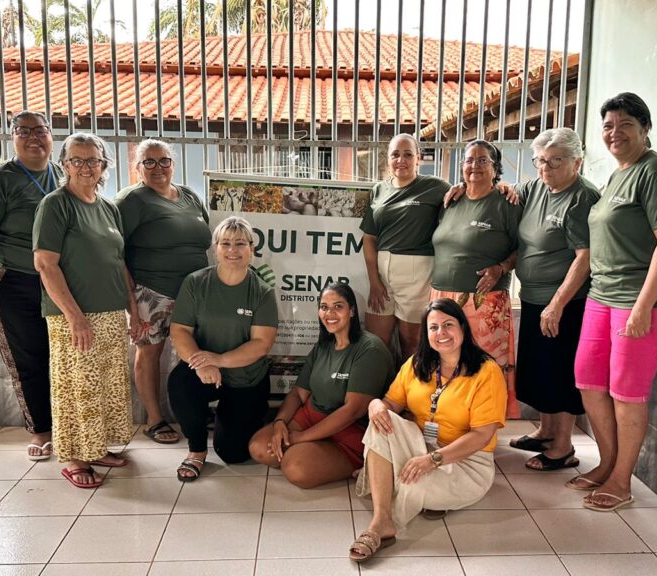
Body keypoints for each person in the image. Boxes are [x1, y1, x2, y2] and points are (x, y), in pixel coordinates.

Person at [569, 93, 657, 512]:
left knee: (626, 392)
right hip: (603, 295)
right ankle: (607, 464)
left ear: (645, 129)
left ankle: (622, 481)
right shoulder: (618, 175)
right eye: (608, 126)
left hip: (646, 300)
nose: (614, 133)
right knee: (588, 380)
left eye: (625, 125)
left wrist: (642, 307)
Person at [349, 298, 506, 562]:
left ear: (463, 328)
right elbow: (389, 404)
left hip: (467, 462)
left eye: (448, 325)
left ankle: (387, 477)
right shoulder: (417, 363)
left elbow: (482, 436)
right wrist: (375, 405)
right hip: (421, 445)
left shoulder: (486, 371)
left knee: (411, 485)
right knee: (380, 422)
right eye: (433, 327)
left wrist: (432, 460)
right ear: (426, 333)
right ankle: (381, 522)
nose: (441, 333)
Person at [32, 133, 140, 489]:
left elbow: (118, 262)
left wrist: (133, 310)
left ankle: (96, 448)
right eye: (76, 160)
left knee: (105, 385)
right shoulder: (55, 205)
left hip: (110, 314)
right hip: (73, 316)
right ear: (64, 165)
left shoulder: (108, 207)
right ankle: (76, 458)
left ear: (103, 165)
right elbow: (45, 264)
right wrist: (75, 317)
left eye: (93, 160)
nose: (85, 167)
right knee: (77, 387)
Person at [0, 110, 62, 461]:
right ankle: (41, 430)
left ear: (51, 136)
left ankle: (69, 426)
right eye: (23, 131)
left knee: (64, 359)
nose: (33, 137)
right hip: (16, 281)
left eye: (40, 130)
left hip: (61, 283)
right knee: (28, 360)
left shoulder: (64, 173)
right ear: (12, 138)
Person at [508, 128, 600, 471]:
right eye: (541, 160)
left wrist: (558, 303)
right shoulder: (535, 187)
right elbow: (505, 194)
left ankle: (562, 447)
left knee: (559, 373)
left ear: (577, 162)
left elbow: (584, 257)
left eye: (555, 161)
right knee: (540, 370)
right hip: (534, 298)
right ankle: (546, 432)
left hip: (565, 303)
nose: (546, 168)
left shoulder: (582, 197)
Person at [248, 282, 394, 488]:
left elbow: (352, 411)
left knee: (295, 468)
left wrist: (300, 438)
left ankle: (348, 460)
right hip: (312, 417)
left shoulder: (370, 349)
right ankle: (314, 450)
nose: (329, 313)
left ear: (352, 311)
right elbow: (298, 393)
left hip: (350, 430)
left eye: (338, 306)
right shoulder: (323, 345)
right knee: (259, 448)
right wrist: (280, 422)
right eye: (324, 307)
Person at [168, 216, 278, 481]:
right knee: (180, 382)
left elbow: (262, 344)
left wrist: (218, 360)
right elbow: (180, 330)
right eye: (225, 243)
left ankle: (235, 418)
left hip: (246, 378)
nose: (232, 250)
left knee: (233, 453)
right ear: (215, 247)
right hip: (205, 371)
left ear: (251, 248)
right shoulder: (196, 282)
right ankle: (196, 449)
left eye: (240, 243)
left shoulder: (262, 292)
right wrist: (202, 363)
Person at [117, 139, 211, 444]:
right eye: (149, 162)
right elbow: (114, 251)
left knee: (195, 353)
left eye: (164, 161)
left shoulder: (189, 196)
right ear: (138, 167)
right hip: (151, 291)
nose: (158, 168)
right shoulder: (131, 200)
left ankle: (193, 411)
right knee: (150, 353)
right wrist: (131, 301)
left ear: (173, 164)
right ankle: (155, 420)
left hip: (195, 293)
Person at [430, 140, 523, 418]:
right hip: (442, 299)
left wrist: (502, 268)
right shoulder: (451, 201)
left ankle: (484, 427)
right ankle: (451, 422)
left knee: (483, 368)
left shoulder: (506, 203)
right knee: (447, 365)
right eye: (469, 160)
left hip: (485, 302)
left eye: (483, 160)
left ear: (496, 168)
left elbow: (524, 247)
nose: (475, 166)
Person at [360, 134, 451, 361]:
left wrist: (501, 187)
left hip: (417, 274)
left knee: (412, 344)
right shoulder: (379, 190)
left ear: (418, 158)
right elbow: (369, 238)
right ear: (388, 158)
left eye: (408, 154)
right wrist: (374, 281)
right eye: (395, 155)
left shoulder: (435, 187)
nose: (401, 160)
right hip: (381, 274)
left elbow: (467, 193)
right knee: (375, 343)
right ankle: (384, 384)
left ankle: (410, 384)